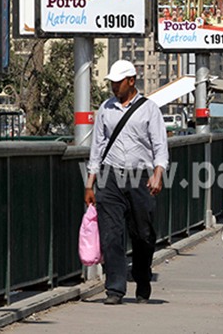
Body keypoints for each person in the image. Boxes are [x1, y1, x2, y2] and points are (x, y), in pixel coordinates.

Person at [84, 59, 169, 305]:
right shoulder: (106, 109)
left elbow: (159, 146)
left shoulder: (149, 109)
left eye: (118, 83)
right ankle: (114, 289)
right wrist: (90, 183)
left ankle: (142, 281)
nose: (114, 87)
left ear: (132, 81)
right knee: (111, 233)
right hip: (110, 177)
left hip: (140, 176)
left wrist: (158, 173)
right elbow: (97, 147)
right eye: (112, 83)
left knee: (143, 234)